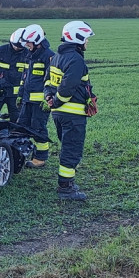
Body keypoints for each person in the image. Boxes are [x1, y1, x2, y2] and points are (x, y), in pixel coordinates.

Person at [44, 20, 97, 200]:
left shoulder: (56, 57)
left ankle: (67, 184)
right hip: (72, 114)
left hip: (58, 114)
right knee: (71, 150)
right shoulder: (76, 59)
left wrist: (49, 98)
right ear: (77, 37)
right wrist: (57, 101)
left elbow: (47, 82)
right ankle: (66, 188)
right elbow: (68, 87)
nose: (87, 42)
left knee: (67, 147)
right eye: (86, 38)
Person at [16, 24, 53, 167]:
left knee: (38, 129)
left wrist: (48, 98)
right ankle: (20, 154)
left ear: (37, 41)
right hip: (27, 100)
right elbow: (24, 77)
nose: (26, 45)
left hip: (40, 102)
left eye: (28, 42)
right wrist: (20, 95)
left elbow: (53, 80)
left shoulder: (49, 56)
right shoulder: (30, 56)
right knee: (21, 126)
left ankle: (40, 158)